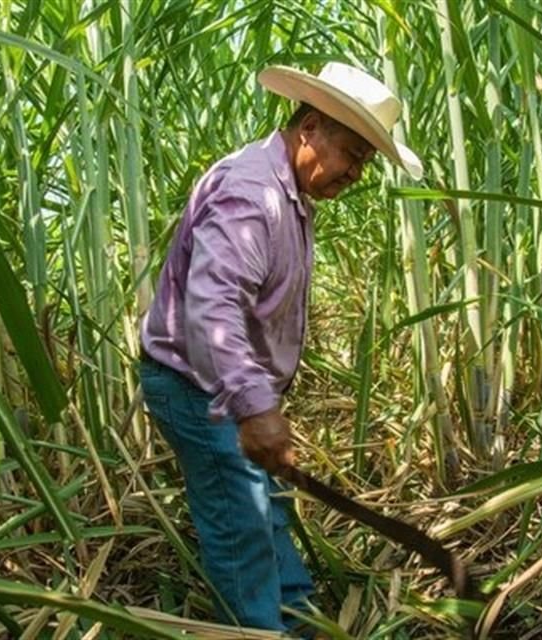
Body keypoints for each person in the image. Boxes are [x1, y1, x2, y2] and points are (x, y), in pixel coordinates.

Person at [138, 61, 423, 634]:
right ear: (311, 126)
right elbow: (212, 308)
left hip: (223, 388)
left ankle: (299, 622)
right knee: (243, 525)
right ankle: (262, 629)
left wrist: (260, 403)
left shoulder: (289, 193)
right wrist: (257, 408)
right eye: (353, 154)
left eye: (366, 161)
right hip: (198, 390)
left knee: (266, 513)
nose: (355, 173)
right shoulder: (250, 194)